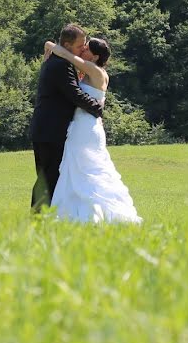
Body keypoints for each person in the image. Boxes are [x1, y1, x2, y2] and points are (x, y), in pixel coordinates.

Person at [44, 36, 142, 224]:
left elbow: (65, 54)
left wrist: (48, 45)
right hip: (89, 127)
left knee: (84, 170)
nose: (82, 51)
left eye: (87, 49)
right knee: (85, 169)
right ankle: (82, 212)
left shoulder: (93, 70)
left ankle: (86, 215)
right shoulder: (98, 73)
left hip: (85, 128)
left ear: (95, 56)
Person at [30, 24, 103, 210]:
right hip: (50, 131)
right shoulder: (61, 65)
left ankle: (44, 220)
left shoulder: (57, 61)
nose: (83, 49)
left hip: (46, 129)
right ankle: (38, 222)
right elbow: (75, 94)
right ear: (67, 45)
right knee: (48, 179)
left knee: (49, 178)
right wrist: (98, 107)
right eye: (80, 46)